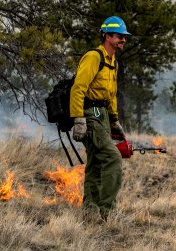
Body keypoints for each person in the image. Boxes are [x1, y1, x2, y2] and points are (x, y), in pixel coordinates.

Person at [70, 16, 130, 220]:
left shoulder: (113, 62)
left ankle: (89, 211)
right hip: (90, 114)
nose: (123, 40)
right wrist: (78, 119)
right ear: (107, 36)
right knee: (112, 157)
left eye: (124, 37)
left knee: (95, 162)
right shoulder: (93, 57)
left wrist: (114, 121)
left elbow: (112, 95)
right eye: (119, 36)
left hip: (102, 115)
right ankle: (107, 211)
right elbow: (78, 89)